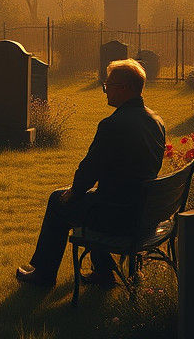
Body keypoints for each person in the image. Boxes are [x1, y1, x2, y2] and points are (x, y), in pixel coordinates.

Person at [16, 58, 166, 289]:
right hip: (144, 211)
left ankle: (44, 275)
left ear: (124, 88)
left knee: (59, 200)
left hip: (118, 215)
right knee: (95, 198)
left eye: (108, 86)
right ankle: (104, 272)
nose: (105, 91)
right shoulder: (155, 121)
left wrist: (73, 193)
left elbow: (89, 171)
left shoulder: (112, 125)